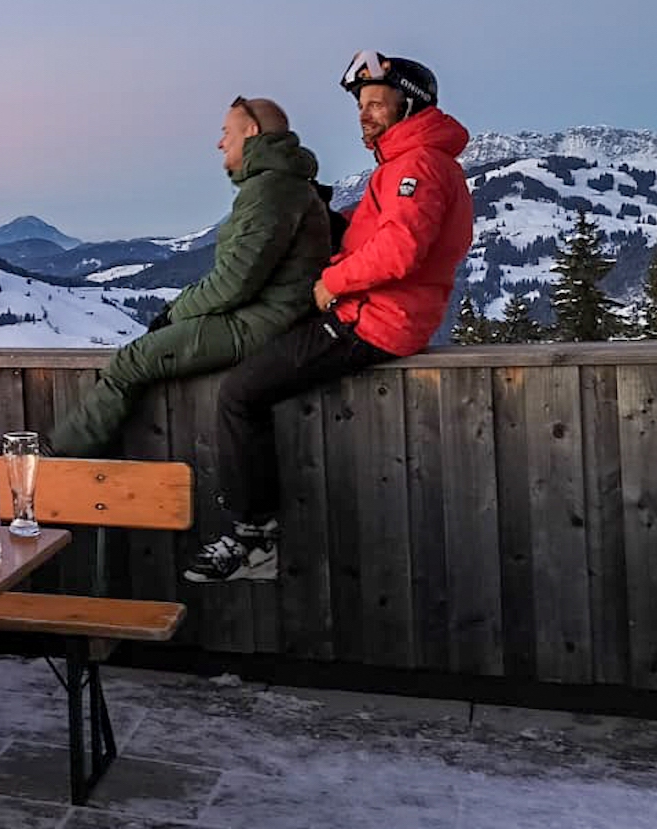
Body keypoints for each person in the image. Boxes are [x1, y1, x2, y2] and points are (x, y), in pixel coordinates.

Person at [184, 51, 474, 583]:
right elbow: (370, 233)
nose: (365, 113)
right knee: (256, 360)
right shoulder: (402, 164)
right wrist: (319, 217)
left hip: (373, 320)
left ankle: (253, 539)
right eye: (361, 104)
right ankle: (253, 529)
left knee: (240, 394)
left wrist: (330, 282)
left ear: (408, 103)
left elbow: (401, 251)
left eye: (376, 102)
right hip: (371, 312)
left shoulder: (419, 166)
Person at [49, 96, 331, 459]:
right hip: (273, 318)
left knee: (130, 361)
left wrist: (175, 312)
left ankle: (58, 459)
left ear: (252, 131)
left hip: (261, 324)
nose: (220, 142)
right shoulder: (283, 184)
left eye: (227, 132)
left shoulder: (271, 189)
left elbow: (235, 281)